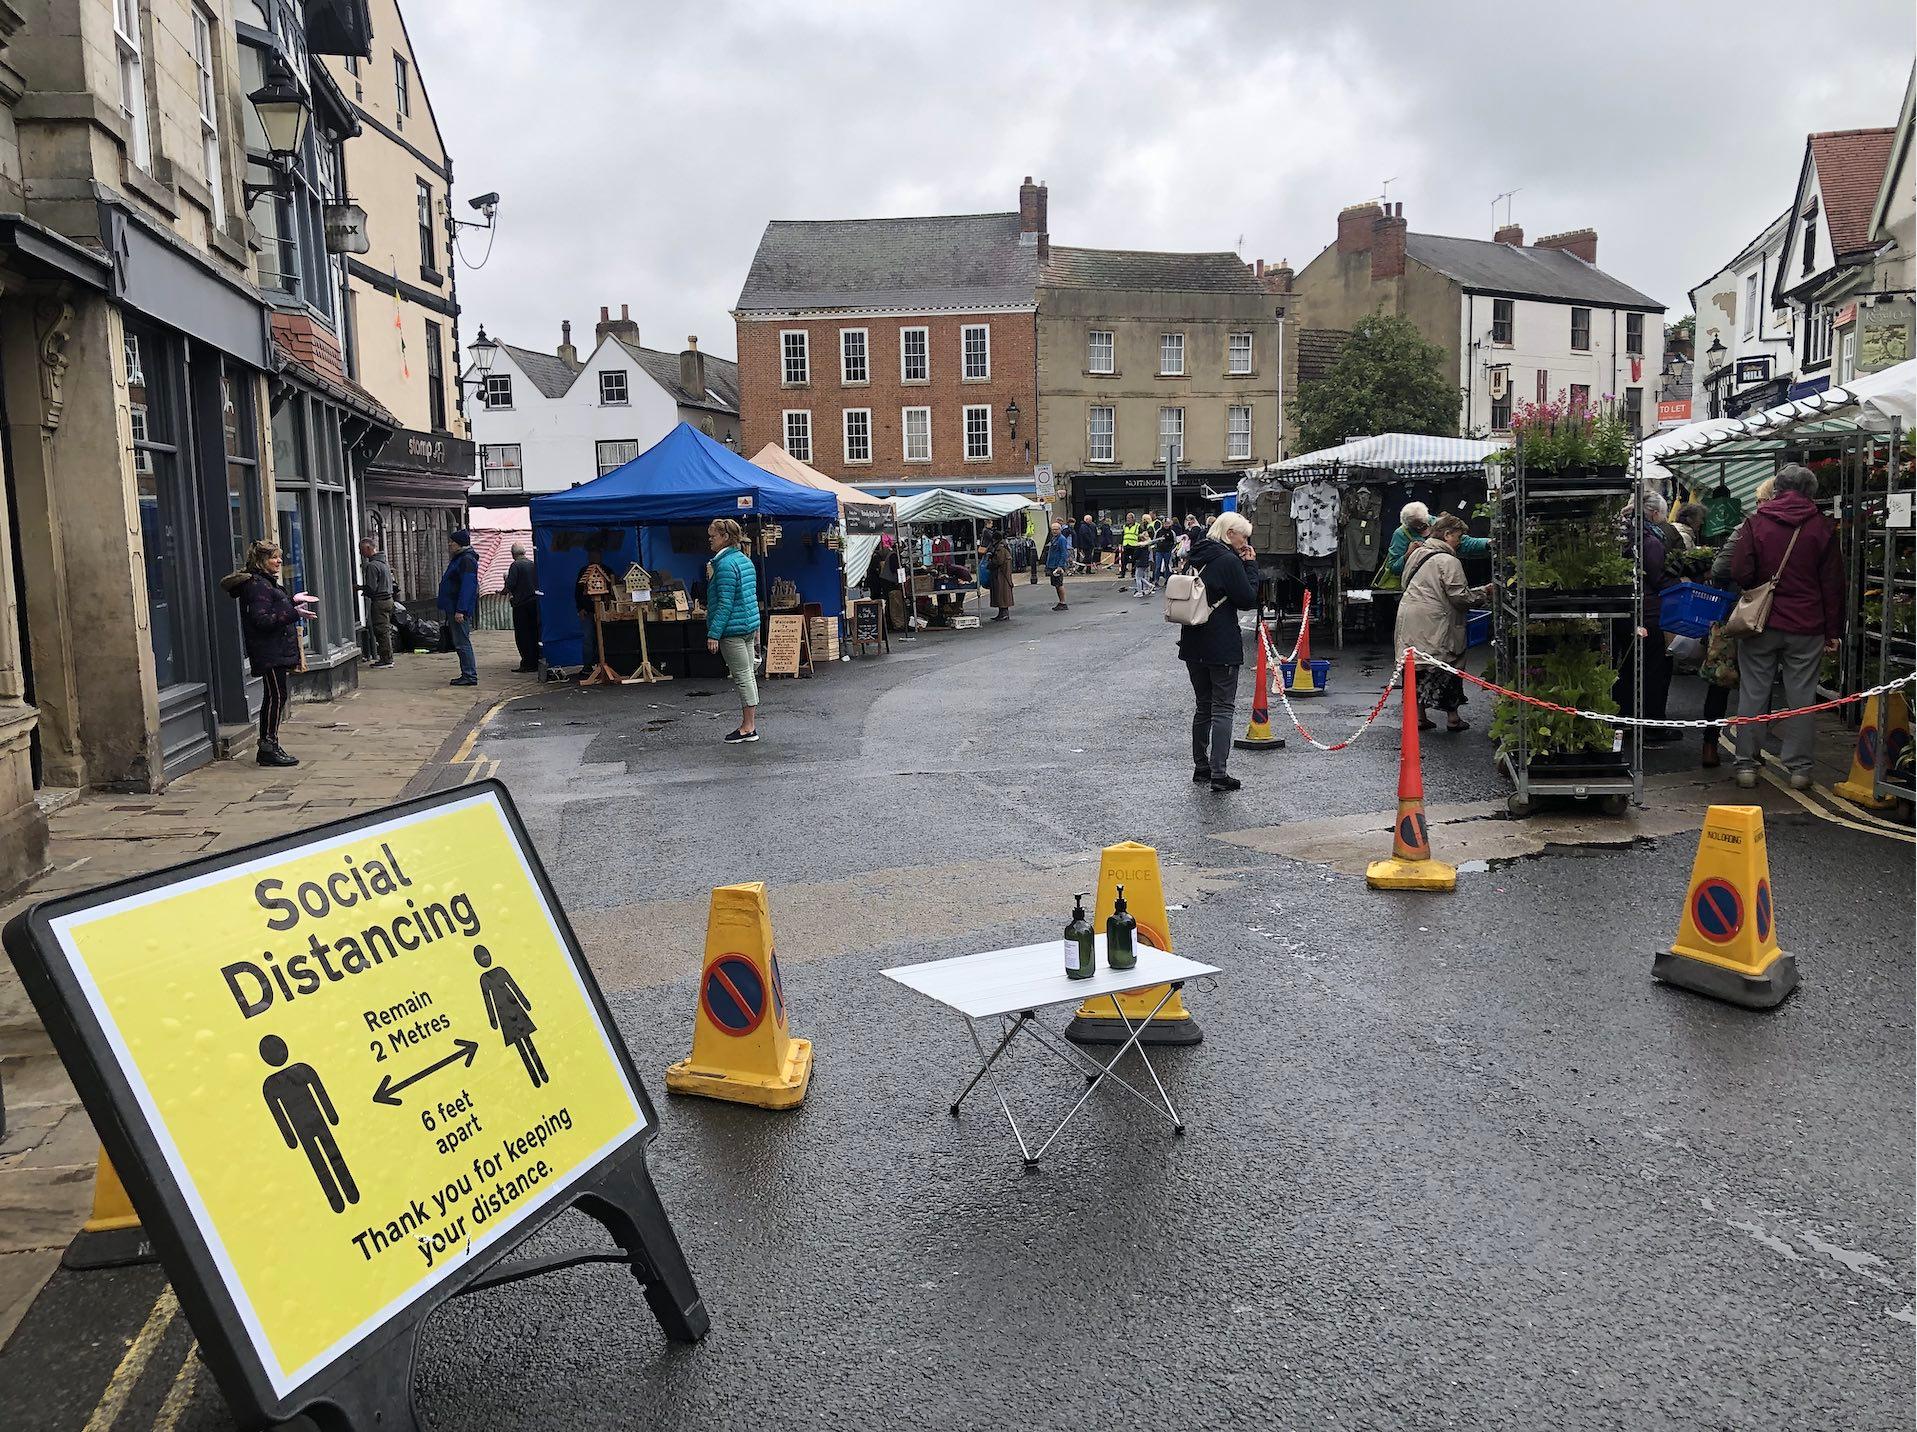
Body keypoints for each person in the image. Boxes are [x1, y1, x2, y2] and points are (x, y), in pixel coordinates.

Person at [1721, 464, 1842, 790]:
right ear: (1811, 493)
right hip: (1807, 624)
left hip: (1761, 622)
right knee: (1802, 696)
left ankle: (1746, 765)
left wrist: (1761, 585)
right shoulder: (1823, 528)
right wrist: (1832, 632)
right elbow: (1833, 584)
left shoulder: (1756, 523)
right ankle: (1800, 770)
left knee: (1754, 692)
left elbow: (1740, 570)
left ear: (1776, 489)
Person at [1180, 512, 1261, 792]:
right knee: (1223, 707)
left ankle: (1201, 767)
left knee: (1203, 706)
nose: (1245, 542)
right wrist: (1250, 567)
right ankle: (1219, 773)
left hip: (1192, 640)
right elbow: (1248, 600)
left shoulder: (1196, 554)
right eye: (1243, 536)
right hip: (1221, 642)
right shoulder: (1228, 561)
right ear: (1229, 534)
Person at [1697, 477, 1775, 769]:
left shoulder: (1747, 528)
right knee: (1760, 683)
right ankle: (1752, 751)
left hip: (1736, 613)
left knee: (1720, 678)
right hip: (1769, 615)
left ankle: (1709, 746)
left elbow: (1719, 568)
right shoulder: (1793, 530)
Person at [1395, 513, 1491, 732]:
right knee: (1446, 664)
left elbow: (1404, 582)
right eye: (1458, 537)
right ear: (1447, 535)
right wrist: (1484, 593)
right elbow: (1460, 596)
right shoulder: (1448, 560)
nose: (1460, 543)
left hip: (1409, 616)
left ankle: (1419, 716)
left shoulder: (1417, 553)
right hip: (1436, 620)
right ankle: (1453, 718)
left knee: (1416, 666)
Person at [222, 539, 309, 767]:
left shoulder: (265, 583)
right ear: (262, 561)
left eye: (279, 556)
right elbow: (261, 620)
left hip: (276, 649)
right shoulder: (257, 585)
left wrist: (292, 602)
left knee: (276, 696)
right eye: (273, 557)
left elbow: (272, 608)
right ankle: (268, 746)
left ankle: (270, 744)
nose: (279, 561)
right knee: (276, 696)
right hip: (269, 650)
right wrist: (293, 613)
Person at [705, 517, 762, 743]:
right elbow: (749, 597)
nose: (710, 540)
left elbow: (725, 603)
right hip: (747, 625)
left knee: (742, 676)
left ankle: (748, 727)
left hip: (733, 629)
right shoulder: (744, 560)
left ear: (725, 537)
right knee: (748, 674)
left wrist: (713, 633)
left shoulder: (726, 565)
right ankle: (750, 725)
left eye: (713, 536)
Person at [437, 529, 479, 686]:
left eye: (452, 542)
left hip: (458, 608)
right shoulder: (460, 558)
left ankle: (469, 675)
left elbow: (468, 586)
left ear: (459, 543)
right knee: (460, 642)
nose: (449, 544)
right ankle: (467, 673)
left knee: (462, 642)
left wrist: (461, 609)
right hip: (454, 606)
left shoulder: (466, 560)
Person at [573, 545, 616, 677]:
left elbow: (612, 590)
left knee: (603, 638)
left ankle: (603, 664)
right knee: (588, 639)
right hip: (587, 611)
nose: (593, 557)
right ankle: (587, 666)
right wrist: (580, 609)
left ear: (600, 556)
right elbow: (578, 592)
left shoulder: (607, 571)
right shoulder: (584, 571)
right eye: (591, 555)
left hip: (603, 611)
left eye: (596, 555)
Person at [357, 537, 394, 669]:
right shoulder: (384, 563)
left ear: (368, 548)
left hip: (379, 601)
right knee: (385, 630)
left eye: (362, 550)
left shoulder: (372, 566)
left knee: (381, 631)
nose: (361, 553)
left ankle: (386, 659)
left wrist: (360, 589)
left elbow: (371, 587)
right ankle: (387, 657)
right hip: (388, 600)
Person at [504, 542, 540, 673]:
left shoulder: (515, 565)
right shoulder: (532, 564)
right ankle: (535, 660)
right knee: (534, 633)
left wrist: (505, 584)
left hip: (521, 605)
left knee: (523, 635)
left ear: (513, 554)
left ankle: (527, 662)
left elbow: (511, 584)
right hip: (534, 603)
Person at [1044, 520, 1072, 611]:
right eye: (1053, 529)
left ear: (1060, 530)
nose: (1054, 531)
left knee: (1059, 584)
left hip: (1057, 565)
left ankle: (1063, 603)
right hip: (1052, 565)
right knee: (1056, 584)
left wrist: (1060, 566)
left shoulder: (1061, 539)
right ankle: (1061, 602)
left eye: (1056, 529)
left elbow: (1064, 553)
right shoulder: (1053, 538)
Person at [989, 527, 1015, 621]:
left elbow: (998, 561)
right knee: (1003, 594)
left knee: (1001, 593)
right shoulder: (1004, 546)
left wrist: (990, 562)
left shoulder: (1000, 548)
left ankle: (1003, 613)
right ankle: (1002, 613)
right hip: (1004, 574)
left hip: (1001, 574)